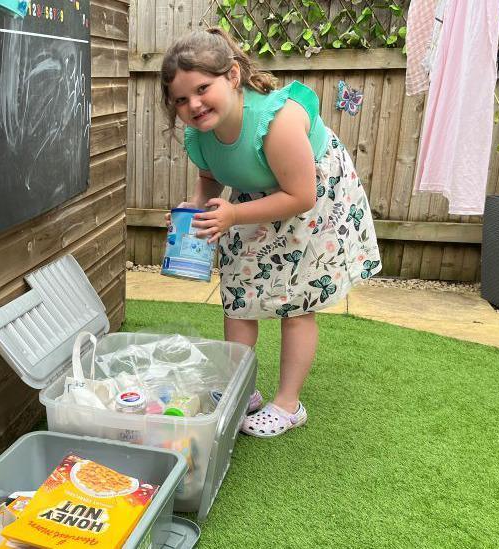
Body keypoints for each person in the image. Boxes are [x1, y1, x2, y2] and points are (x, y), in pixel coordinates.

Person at [161, 28, 381, 437]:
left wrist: (233, 215)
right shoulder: (200, 134)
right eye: (180, 99)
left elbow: (300, 195)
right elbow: (211, 177)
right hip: (256, 194)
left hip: (312, 195)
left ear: (231, 77)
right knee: (239, 294)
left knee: (294, 301)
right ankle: (240, 388)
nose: (193, 104)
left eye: (202, 89)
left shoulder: (275, 123)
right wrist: (196, 207)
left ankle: (288, 403)